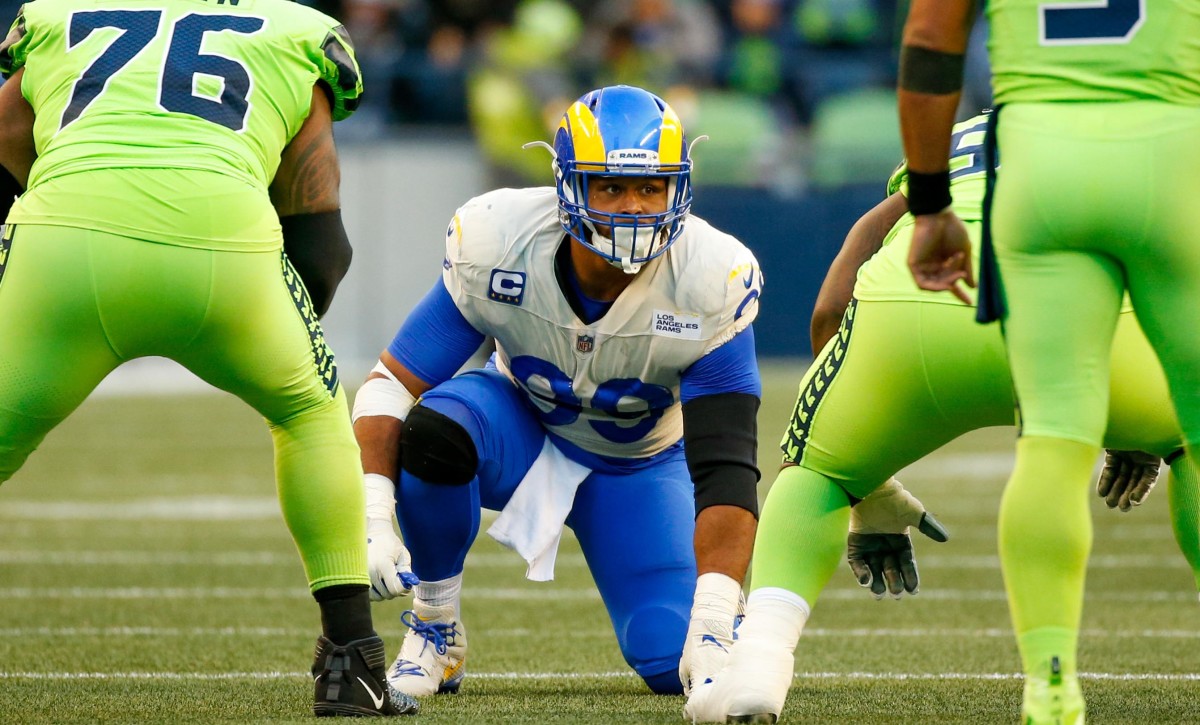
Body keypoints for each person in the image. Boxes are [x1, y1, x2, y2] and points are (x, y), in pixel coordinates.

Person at [683, 113, 1200, 723]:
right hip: (1083, 320)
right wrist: (1148, 415)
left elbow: (841, 284)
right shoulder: (1148, 125)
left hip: (917, 306)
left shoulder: (965, 132)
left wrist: (855, 469)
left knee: (813, 471)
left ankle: (760, 665)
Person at [0, 0, 417, 716]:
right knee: (309, 411)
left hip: (64, 242)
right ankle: (353, 657)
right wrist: (279, 326)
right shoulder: (291, 31)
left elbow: (8, 131)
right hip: (224, 246)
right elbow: (323, 240)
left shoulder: (59, 16)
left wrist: (82, 200)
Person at [351, 84, 765, 697]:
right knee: (436, 429)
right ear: (570, 186)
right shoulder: (501, 240)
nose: (633, 207)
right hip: (519, 430)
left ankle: (721, 620)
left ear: (677, 188)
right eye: (612, 187)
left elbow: (728, 468)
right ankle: (436, 627)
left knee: (669, 663)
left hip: (640, 465)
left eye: (651, 188)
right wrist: (372, 516)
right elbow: (390, 386)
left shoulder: (712, 275)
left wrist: (710, 619)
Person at [896, 1, 1200, 721]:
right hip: (1175, 150)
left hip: (1041, 162)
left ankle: (1052, 682)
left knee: (1056, 436)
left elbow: (930, 39)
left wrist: (932, 201)